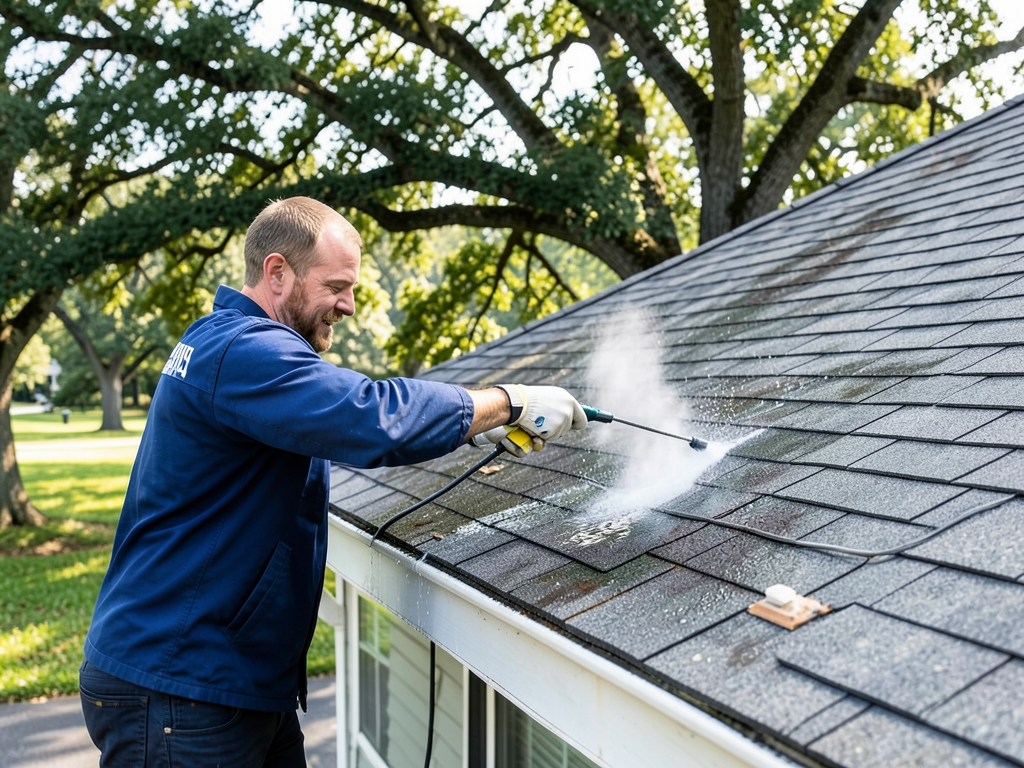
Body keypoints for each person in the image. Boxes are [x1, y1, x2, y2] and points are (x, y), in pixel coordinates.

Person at [78, 197, 587, 767]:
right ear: (277, 273)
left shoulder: (223, 340)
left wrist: (475, 427)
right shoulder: (245, 350)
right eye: (336, 286)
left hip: (224, 680)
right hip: (181, 686)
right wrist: (508, 401)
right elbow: (369, 415)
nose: (348, 305)